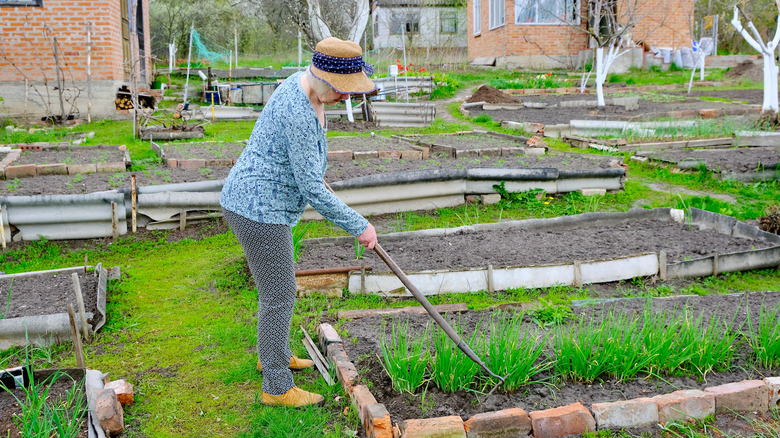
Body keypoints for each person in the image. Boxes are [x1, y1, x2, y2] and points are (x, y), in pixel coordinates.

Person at [220, 37, 378, 408]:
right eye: (342, 92)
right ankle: (276, 386)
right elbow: (310, 187)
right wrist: (359, 224)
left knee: (279, 286)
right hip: (257, 209)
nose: (346, 99)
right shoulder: (298, 109)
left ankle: (271, 355)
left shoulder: (303, 85)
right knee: (279, 292)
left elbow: (305, 167)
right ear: (323, 77)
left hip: (260, 203)